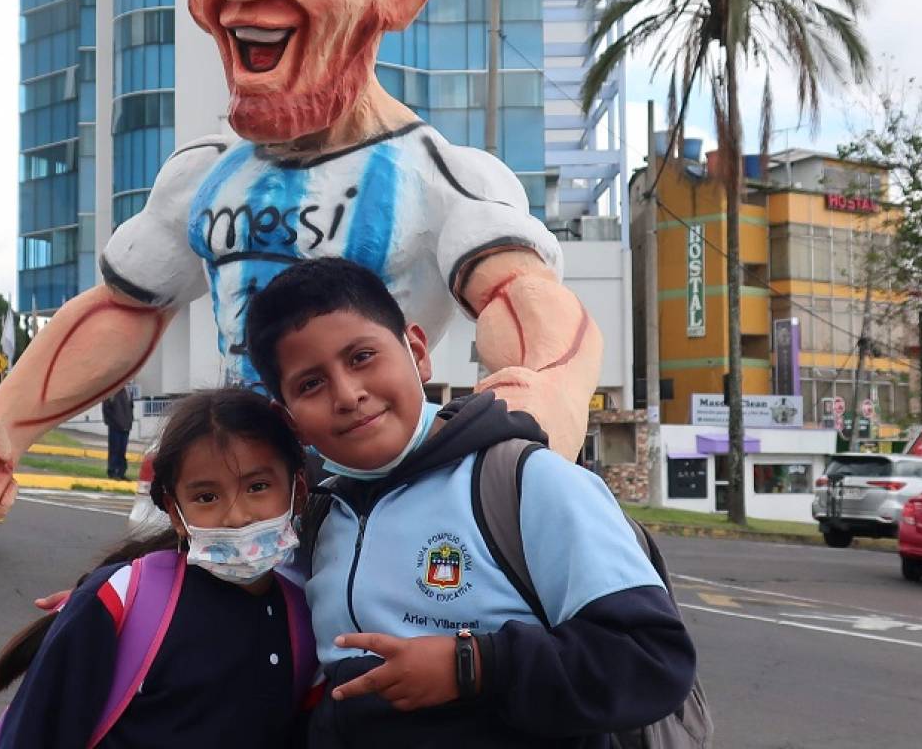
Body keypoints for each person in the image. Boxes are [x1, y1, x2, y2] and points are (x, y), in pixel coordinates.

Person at [0, 0, 602, 523]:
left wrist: (535, 411)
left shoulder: (442, 181)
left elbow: (530, 309)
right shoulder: (204, 175)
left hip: (366, 522)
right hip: (215, 519)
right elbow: (126, 309)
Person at [245, 258, 696, 749]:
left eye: (361, 357)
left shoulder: (528, 483)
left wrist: (472, 665)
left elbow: (650, 660)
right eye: (310, 384)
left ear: (417, 351)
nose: (348, 395)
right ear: (288, 418)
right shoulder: (318, 515)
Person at [0, 388, 318, 748]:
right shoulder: (122, 599)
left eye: (258, 486)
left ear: (297, 491)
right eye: (206, 497)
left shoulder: (305, 619)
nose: (236, 516)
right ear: (176, 514)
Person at [101, 385, 133, 480]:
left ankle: (121, 472)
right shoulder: (112, 391)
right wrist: (111, 422)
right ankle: (112, 472)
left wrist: (130, 422)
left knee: (122, 451)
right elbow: (106, 408)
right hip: (115, 427)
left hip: (126, 427)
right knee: (115, 450)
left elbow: (130, 407)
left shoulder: (128, 391)